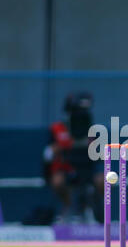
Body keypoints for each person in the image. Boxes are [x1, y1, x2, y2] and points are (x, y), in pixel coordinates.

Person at [43, 92, 104, 224]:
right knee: (57, 180)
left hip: (87, 169)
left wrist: (93, 147)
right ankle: (68, 207)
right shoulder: (57, 129)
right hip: (66, 169)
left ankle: (94, 211)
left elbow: (100, 156)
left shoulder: (92, 130)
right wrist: (57, 148)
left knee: (103, 180)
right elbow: (47, 155)